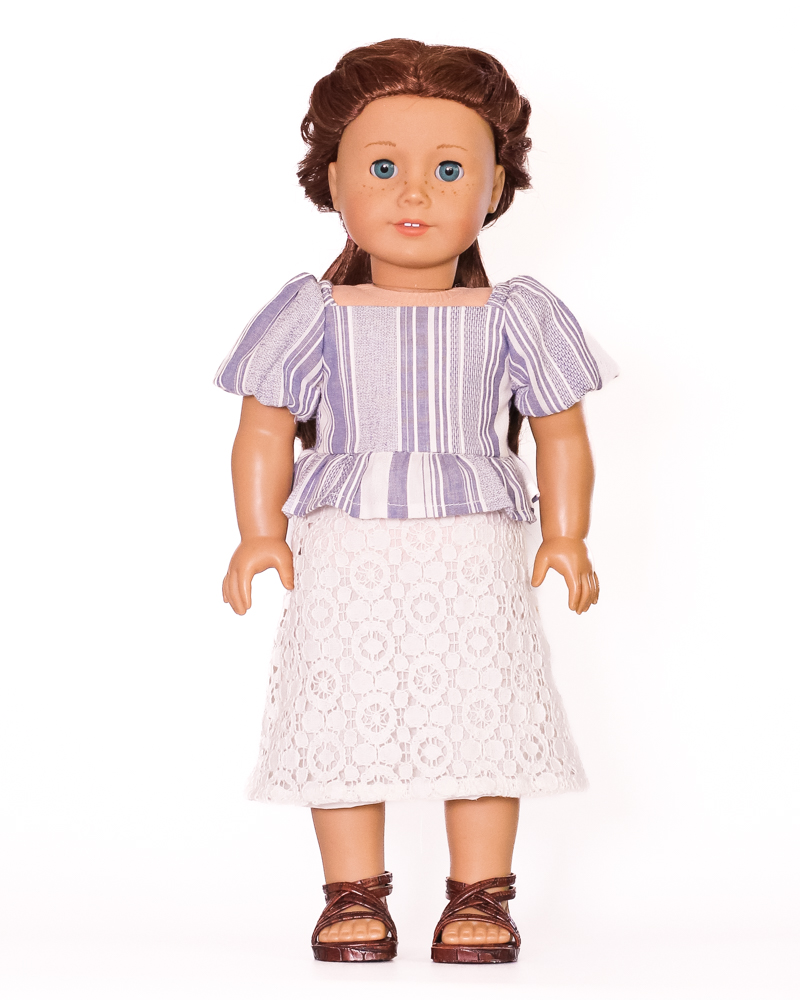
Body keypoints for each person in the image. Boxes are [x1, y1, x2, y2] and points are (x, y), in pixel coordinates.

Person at [215, 38, 617, 965]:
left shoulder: (515, 315)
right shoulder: (313, 314)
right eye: (384, 167)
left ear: (494, 188)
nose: (416, 194)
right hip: (347, 543)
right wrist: (257, 533)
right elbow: (264, 427)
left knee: (483, 707)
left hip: (473, 542)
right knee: (343, 706)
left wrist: (566, 535)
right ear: (334, 182)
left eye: (448, 170)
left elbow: (560, 433)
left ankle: (480, 892)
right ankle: (352, 891)